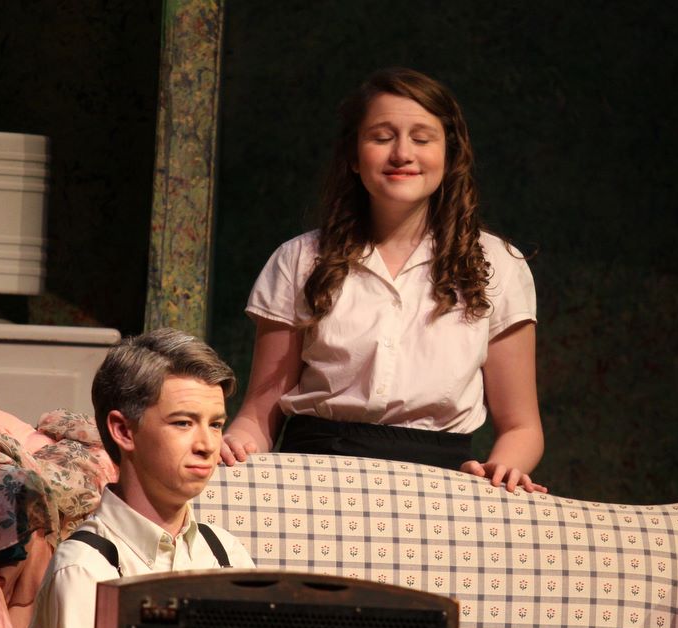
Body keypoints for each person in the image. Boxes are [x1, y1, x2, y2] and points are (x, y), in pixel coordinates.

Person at [221, 67, 545, 494]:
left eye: (422, 139)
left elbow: (522, 427)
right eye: (381, 137)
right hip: (314, 477)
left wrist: (502, 470)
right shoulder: (299, 260)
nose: (402, 153)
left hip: (443, 487)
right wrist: (235, 446)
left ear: (450, 156)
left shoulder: (498, 264)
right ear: (354, 156)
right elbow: (259, 414)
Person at [21, 328, 255, 628]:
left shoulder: (225, 554)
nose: (207, 445)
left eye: (216, 425)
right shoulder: (87, 570)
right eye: (184, 423)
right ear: (124, 431)